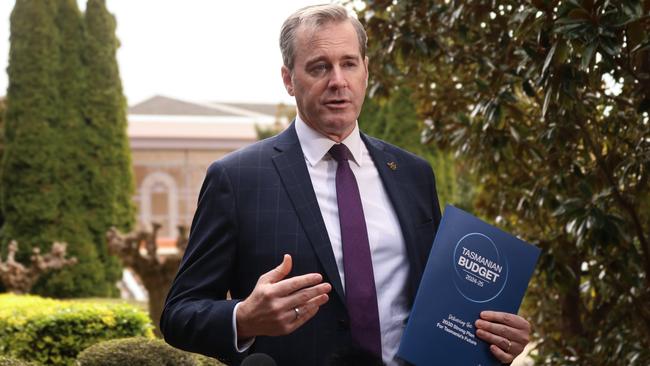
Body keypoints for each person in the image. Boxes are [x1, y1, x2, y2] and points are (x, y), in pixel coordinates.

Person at [160, 4, 531, 365]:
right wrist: (242, 318)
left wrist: (492, 339)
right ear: (289, 79)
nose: (338, 81)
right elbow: (179, 313)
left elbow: (438, 305)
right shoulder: (237, 179)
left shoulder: (414, 174)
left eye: (349, 64)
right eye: (319, 67)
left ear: (365, 70)